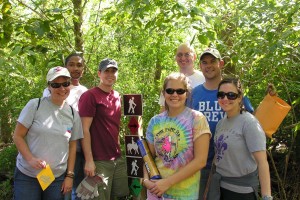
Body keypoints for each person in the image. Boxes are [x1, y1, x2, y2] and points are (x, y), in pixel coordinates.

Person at [187, 47, 254, 199]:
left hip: (230, 167)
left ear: (221, 63)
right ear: (200, 66)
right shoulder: (194, 94)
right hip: (201, 165)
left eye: (213, 61)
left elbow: (252, 121)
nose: (208, 65)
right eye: (204, 62)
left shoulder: (232, 91)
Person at [13, 66, 83, 200]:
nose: (62, 89)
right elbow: (18, 136)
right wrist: (30, 159)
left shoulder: (73, 114)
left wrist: (69, 175)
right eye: (56, 84)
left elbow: (72, 146)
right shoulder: (35, 105)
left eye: (65, 84)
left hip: (56, 178)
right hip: (28, 175)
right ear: (49, 86)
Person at [143, 72, 211, 199]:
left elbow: (200, 161)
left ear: (187, 93)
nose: (175, 95)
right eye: (170, 90)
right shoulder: (155, 121)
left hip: (184, 194)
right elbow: (148, 157)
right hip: (155, 191)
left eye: (180, 91)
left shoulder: (197, 119)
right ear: (164, 93)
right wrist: (146, 180)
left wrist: (167, 183)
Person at [210, 77, 272, 200]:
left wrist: (266, 197)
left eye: (231, 95)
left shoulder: (249, 123)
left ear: (239, 97)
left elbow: (262, 162)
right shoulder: (221, 123)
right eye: (221, 95)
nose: (225, 99)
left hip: (242, 192)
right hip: (220, 188)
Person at [78, 58, 129, 200]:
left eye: (113, 71)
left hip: (117, 158)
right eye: (107, 71)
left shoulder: (117, 96)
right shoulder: (90, 96)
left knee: (120, 196)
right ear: (99, 73)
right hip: (98, 161)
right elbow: (84, 129)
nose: (110, 74)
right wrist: (89, 160)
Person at [43, 53, 88, 200]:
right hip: (54, 149)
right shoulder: (52, 88)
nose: (75, 68)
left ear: (83, 69)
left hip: (77, 147)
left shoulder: (85, 92)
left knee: (74, 190)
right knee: (52, 189)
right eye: (71, 64)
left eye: (79, 65)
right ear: (65, 66)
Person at [158, 43, 205, 112]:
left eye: (187, 54)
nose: (183, 58)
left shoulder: (204, 78)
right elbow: (164, 108)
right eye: (179, 55)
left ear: (194, 56)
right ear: (176, 58)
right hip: (175, 122)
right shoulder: (170, 80)